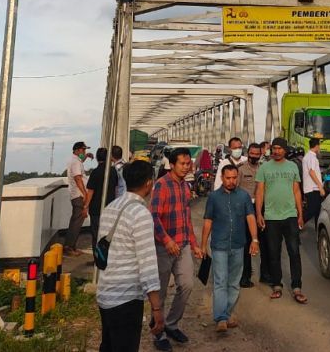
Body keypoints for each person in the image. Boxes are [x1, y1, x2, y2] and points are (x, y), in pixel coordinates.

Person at [96, 160, 164, 352]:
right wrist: (156, 308)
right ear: (149, 183)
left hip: (106, 292)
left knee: (109, 346)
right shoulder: (141, 214)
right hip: (126, 298)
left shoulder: (110, 207)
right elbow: (148, 264)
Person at [150, 148, 203, 351]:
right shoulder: (161, 186)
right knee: (160, 293)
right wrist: (166, 241)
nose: (186, 166)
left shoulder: (185, 186)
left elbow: (186, 217)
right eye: (182, 163)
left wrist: (194, 243)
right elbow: (154, 217)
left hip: (182, 245)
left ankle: (171, 324)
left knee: (187, 284)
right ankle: (159, 333)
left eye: (188, 163)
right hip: (164, 248)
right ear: (171, 165)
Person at [201, 164, 259, 332]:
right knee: (220, 281)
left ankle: (225, 314)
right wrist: (203, 245)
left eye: (234, 178)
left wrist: (254, 240)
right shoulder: (213, 197)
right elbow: (208, 221)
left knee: (234, 283)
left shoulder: (244, 196)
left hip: (238, 245)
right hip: (219, 245)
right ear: (222, 178)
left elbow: (250, 217)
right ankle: (221, 318)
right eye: (228, 178)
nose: (232, 181)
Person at [255, 137, 306, 304]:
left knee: (294, 252)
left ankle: (297, 287)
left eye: (279, 148)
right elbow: (260, 192)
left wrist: (300, 214)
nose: (276, 151)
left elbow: (297, 191)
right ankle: (277, 285)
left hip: (290, 216)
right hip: (271, 217)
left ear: (285, 150)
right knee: (273, 253)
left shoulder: (292, 167)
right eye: (274, 148)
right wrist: (259, 214)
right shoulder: (264, 167)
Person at [235, 142, 265, 287]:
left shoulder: (264, 169)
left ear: (260, 154)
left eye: (256, 154)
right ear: (248, 153)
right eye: (251, 153)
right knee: (246, 242)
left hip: (261, 207)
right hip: (245, 209)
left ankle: (266, 275)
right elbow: (234, 189)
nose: (254, 156)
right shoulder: (240, 169)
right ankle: (245, 276)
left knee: (264, 242)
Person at [85, 147, 127, 249]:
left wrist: (85, 206)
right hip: (111, 206)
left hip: (96, 209)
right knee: (109, 233)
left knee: (96, 234)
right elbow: (117, 187)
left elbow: (90, 191)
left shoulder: (95, 172)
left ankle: (98, 259)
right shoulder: (114, 171)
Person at [65, 141, 91, 256]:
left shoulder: (75, 160)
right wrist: (85, 194)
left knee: (75, 221)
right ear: (77, 150)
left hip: (75, 195)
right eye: (83, 150)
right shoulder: (75, 162)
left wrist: (86, 157)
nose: (84, 152)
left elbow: (80, 162)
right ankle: (70, 248)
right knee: (76, 222)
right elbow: (78, 179)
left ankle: (71, 246)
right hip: (78, 195)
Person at [301, 137, 326, 228]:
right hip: (312, 188)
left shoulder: (308, 156)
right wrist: (320, 186)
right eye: (319, 146)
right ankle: (298, 224)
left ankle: (318, 231)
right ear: (316, 146)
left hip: (312, 188)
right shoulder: (311, 156)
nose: (319, 148)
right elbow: (311, 172)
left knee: (317, 211)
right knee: (312, 210)